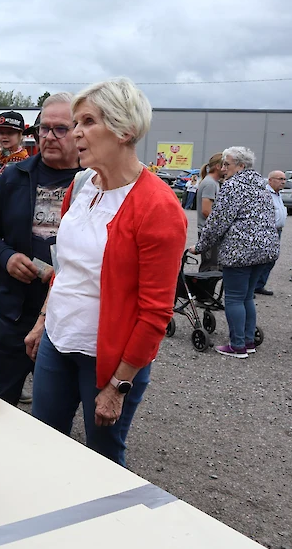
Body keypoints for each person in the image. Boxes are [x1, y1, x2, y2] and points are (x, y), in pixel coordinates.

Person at [28, 78, 187, 466]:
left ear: (124, 131)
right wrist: (42, 320)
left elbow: (155, 312)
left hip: (109, 358)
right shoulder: (82, 185)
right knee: (43, 443)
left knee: (103, 457)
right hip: (57, 340)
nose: (76, 132)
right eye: (76, 122)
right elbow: (65, 268)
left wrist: (119, 385)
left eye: (87, 122)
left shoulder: (158, 207)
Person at [0, 93, 83, 405]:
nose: (50, 136)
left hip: (68, 314)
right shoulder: (14, 175)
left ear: (78, 131)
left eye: (60, 129)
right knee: (1, 402)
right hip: (15, 310)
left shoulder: (91, 182)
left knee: (54, 410)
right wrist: (7, 257)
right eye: (44, 128)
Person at [190, 147, 279, 358]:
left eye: (226, 164)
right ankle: (248, 341)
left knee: (234, 298)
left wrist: (199, 246)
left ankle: (237, 345)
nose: (223, 169)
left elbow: (217, 222)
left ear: (240, 166)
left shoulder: (233, 187)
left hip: (241, 251)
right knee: (247, 296)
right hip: (265, 250)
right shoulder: (261, 186)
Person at [253, 171, 287, 295]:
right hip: (266, 231)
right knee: (260, 259)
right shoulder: (264, 194)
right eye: (280, 179)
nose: (283, 181)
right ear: (270, 180)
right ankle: (252, 286)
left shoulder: (278, 195)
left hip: (277, 230)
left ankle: (259, 285)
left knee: (271, 259)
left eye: (284, 179)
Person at [196, 153, 223, 271]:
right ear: (218, 166)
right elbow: (206, 211)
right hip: (208, 232)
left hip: (210, 231)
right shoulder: (210, 183)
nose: (227, 168)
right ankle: (202, 290)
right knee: (209, 268)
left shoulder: (214, 182)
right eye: (225, 164)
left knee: (212, 267)